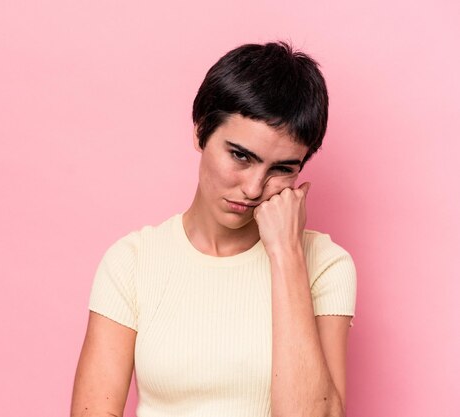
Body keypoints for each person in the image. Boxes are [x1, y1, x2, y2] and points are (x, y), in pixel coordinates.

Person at [71, 41, 357, 417]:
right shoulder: (133, 262)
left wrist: (286, 256)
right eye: (240, 155)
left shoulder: (324, 266)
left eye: (283, 168)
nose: (254, 188)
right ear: (201, 131)